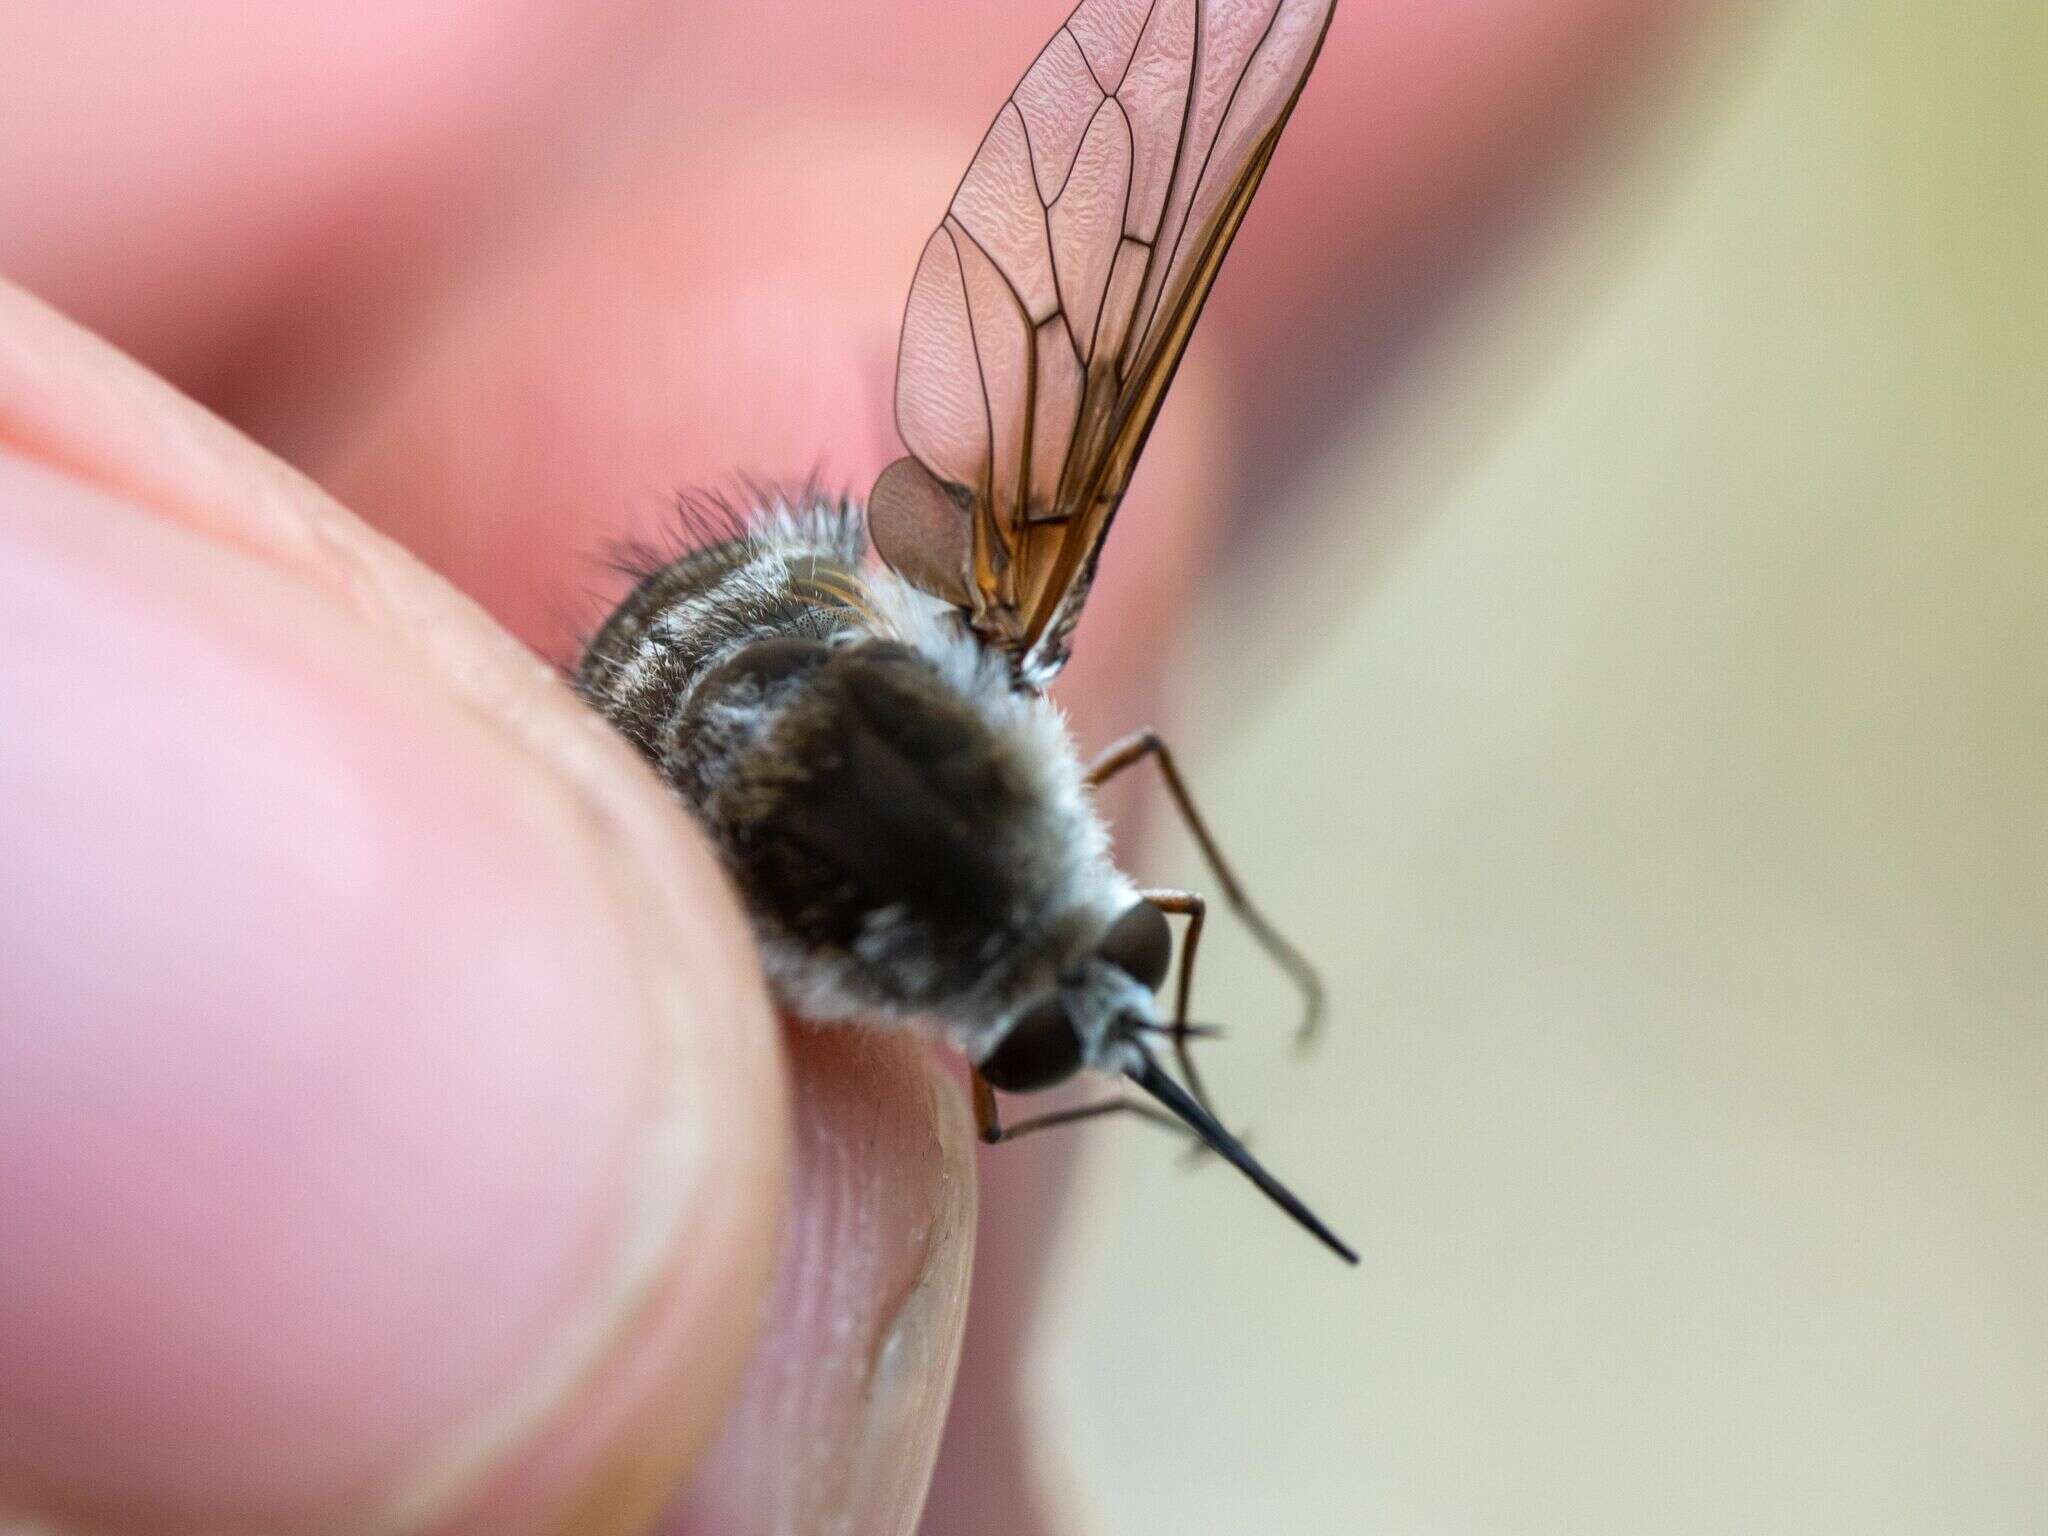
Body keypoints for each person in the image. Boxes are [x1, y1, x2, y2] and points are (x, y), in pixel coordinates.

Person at [0, 3, 1686, 1531]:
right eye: (1129, 959)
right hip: (682, 719)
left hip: (782, 618)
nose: (1109, 1006)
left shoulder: (1000, 661)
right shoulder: (835, 984)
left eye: (1067, 1014)